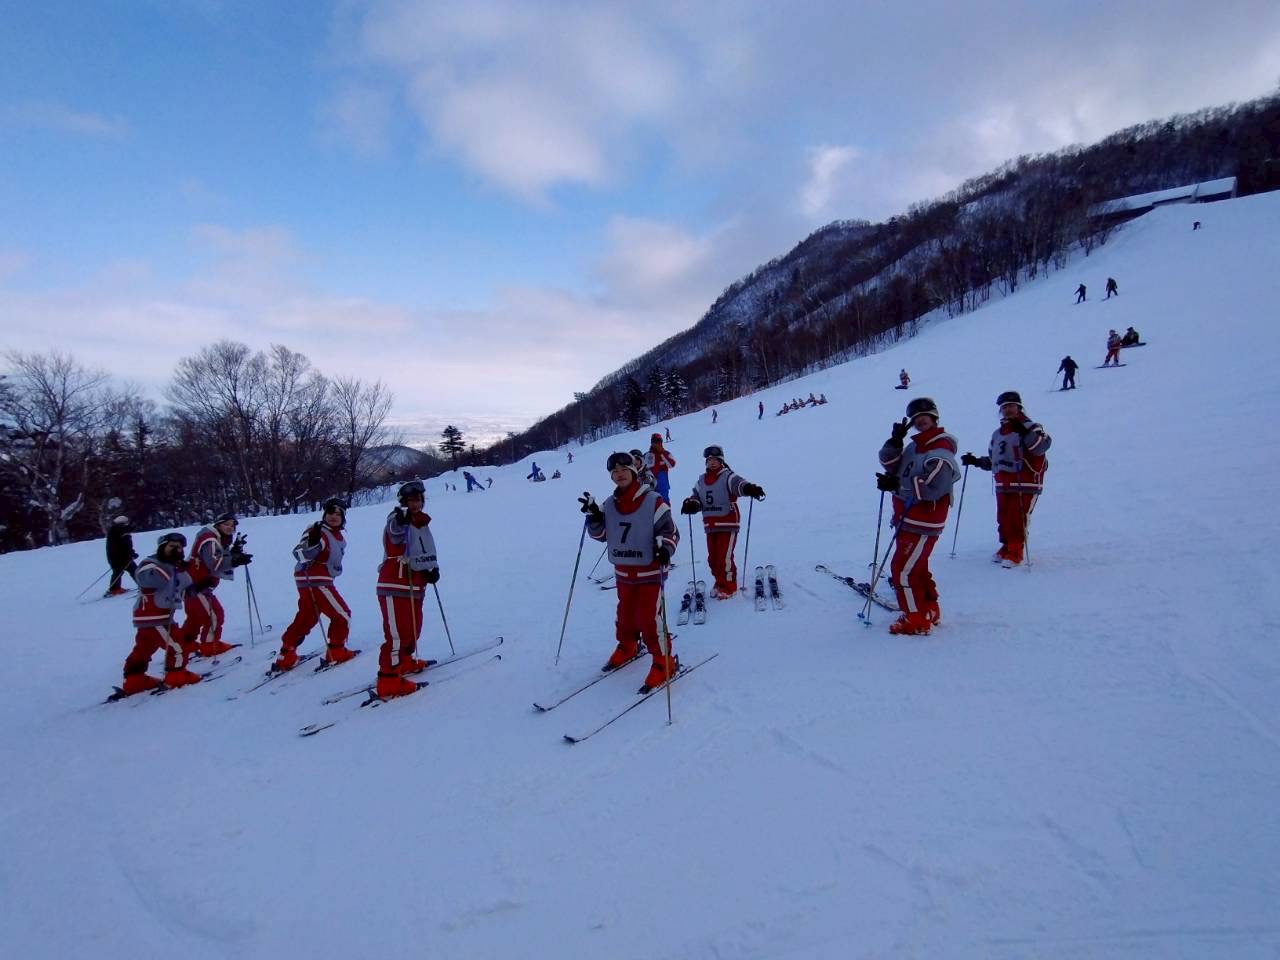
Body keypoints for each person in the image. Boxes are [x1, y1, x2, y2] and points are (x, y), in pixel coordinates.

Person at [581, 452, 680, 691]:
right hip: (624, 572)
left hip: (650, 572)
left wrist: (665, 548)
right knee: (625, 614)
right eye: (614, 471)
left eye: (624, 469)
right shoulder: (609, 504)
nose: (619, 474)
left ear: (634, 472)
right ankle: (628, 645)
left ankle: (663, 660)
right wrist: (595, 517)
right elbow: (601, 535)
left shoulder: (653, 500)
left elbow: (671, 532)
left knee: (649, 618)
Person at [876, 398, 960, 634]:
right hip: (908, 517)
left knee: (902, 569)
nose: (920, 420)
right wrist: (894, 442)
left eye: (925, 416)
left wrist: (897, 485)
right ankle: (929, 609)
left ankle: (915, 618)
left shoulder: (940, 450)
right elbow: (890, 464)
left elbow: (935, 487)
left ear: (934, 418)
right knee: (917, 566)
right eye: (915, 418)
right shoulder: (915, 446)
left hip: (923, 520)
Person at [960, 391, 1051, 567]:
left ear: (1019, 407)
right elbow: (995, 459)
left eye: (1011, 406)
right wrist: (976, 461)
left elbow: (1040, 448)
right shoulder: (998, 433)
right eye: (1004, 407)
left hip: (1025, 481)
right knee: (1003, 517)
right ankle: (1007, 546)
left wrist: (1024, 432)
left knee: (1017, 516)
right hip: (1003, 482)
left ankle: (1016, 551)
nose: (1008, 410)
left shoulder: (1032, 427)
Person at [273, 498, 357, 672]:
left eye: (339, 514)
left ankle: (286, 654)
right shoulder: (317, 530)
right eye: (331, 512)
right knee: (342, 615)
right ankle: (336, 651)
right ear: (324, 514)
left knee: (308, 616)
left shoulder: (335, 535)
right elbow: (299, 553)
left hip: (311, 580)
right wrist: (312, 543)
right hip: (316, 579)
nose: (334, 516)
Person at [374, 480, 440, 699]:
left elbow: (424, 550)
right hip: (395, 583)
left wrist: (431, 569)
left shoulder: (422, 522)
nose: (415, 504)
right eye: (411, 500)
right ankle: (388, 680)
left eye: (418, 500)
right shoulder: (397, 519)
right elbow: (394, 532)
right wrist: (401, 520)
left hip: (415, 584)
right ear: (403, 502)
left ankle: (404, 661)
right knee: (398, 634)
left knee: (413, 628)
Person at [118, 532, 201, 695]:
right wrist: (171, 566)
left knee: (145, 647)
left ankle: (134, 678)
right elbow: (151, 580)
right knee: (178, 645)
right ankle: (176, 675)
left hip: (157, 616)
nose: (176, 550)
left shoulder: (174, 566)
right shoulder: (150, 564)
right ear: (162, 547)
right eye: (171, 546)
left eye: (179, 548)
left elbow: (182, 588)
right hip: (154, 615)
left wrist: (195, 586)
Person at [680, 444, 765, 599]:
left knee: (724, 558)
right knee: (713, 559)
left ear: (721, 461)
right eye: (709, 460)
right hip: (710, 525)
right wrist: (692, 504)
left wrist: (749, 489)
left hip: (728, 522)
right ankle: (720, 582)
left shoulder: (727, 476)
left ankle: (729, 586)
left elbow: (739, 484)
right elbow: (697, 497)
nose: (712, 462)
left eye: (715, 460)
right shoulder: (701, 480)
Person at [182, 513, 248, 658]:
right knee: (215, 614)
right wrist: (235, 560)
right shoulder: (210, 540)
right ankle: (210, 645)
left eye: (232, 525)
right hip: (197, 585)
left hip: (192, 584)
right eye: (226, 524)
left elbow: (220, 555)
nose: (230, 528)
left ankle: (184, 644)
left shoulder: (217, 538)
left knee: (195, 617)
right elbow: (214, 564)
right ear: (218, 525)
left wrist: (235, 551)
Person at [104, 516, 138, 597]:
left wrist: (131, 553)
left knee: (130, 570)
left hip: (118, 557)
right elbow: (124, 545)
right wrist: (131, 554)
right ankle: (114, 589)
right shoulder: (120, 531)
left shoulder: (115, 530)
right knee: (123, 571)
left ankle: (115, 588)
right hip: (119, 557)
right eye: (126, 523)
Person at [644, 432, 676, 505]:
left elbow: (672, 464)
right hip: (650, 485)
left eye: (658, 441)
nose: (656, 443)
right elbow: (643, 468)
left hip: (663, 485)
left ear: (661, 442)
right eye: (654, 441)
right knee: (651, 504)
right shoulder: (647, 455)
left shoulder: (666, 453)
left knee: (664, 503)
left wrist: (662, 453)